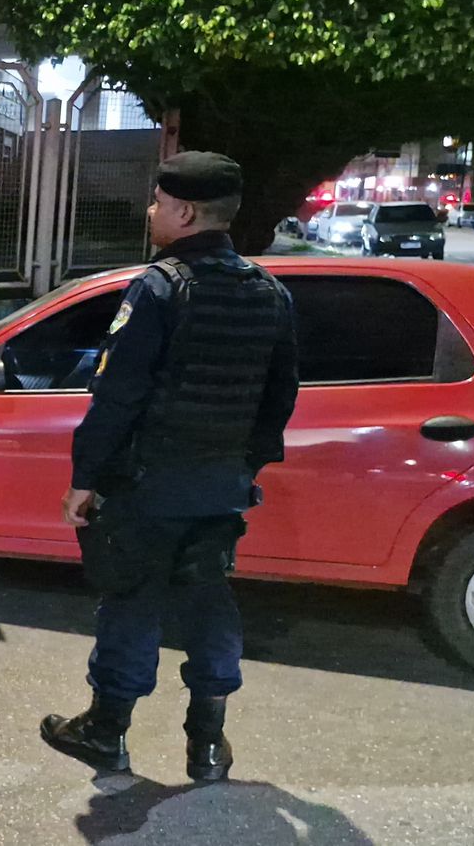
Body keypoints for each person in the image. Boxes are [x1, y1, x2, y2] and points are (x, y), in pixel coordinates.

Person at [41, 151, 299, 783]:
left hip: (148, 486)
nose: (151, 211)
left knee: (131, 601)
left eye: (157, 203)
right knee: (209, 601)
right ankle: (207, 745)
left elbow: (119, 396)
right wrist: (243, 467)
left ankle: (106, 733)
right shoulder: (270, 292)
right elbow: (280, 398)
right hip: (221, 487)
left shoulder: (159, 287)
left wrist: (85, 479)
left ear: (184, 211)